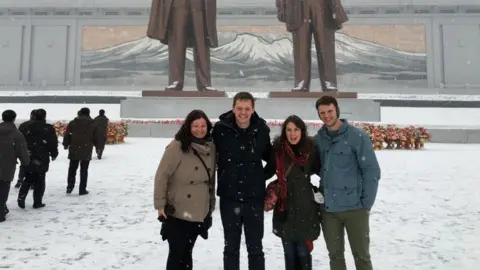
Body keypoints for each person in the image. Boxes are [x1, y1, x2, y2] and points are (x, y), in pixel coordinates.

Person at [314, 96, 381, 270]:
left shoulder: (357, 137)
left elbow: (371, 170)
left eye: (330, 111)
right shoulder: (319, 139)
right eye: (322, 113)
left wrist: (366, 203)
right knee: (335, 257)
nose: (326, 116)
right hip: (329, 210)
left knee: (362, 257)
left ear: (337, 110)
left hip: (355, 209)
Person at [212, 92, 272, 270]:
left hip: (254, 197)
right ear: (233, 108)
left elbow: (272, 157)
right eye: (239, 108)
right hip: (229, 197)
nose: (243, 112)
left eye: (247, 109)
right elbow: (205, 149)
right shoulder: (220, 130)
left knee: (255, 247)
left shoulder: (261, 130)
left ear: (253, 109)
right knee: (231, 247)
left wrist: (261, 177)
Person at [154, 109, 216, 270]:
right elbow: (162, 175)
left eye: (203, 125)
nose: (200, 129)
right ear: (188, 126)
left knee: (187, 253)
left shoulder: (211, 147)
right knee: (176, 254)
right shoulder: (177, 146)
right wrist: (160, 205)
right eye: (195, 125)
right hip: (177, 210)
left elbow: (211, 180)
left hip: (198, 210)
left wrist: (210, 206)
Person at [264, 115, 323, 270]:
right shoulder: (278, 150)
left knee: (304, 253)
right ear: (284, 132)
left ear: (302, 131)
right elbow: (267, 171)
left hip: (306, 208)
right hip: (285, 208)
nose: (292, 134)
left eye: (296, 129)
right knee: (289, 254)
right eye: (289, 130)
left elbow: (323, 171)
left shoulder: (311, 150)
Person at [275, 0, 348, 92]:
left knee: (325, 47)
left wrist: (336, 10)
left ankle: (328, 82)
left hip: (323, 7)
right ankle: (301, 82)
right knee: (301, 48)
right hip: (297, 7)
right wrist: (281, 8)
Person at [147, 0, 218, 91]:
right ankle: (175, 81)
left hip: (199, 4)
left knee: (201, 43)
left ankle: (204, 83)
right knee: (177, 42)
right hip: (178, 4)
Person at [17, 109, 59, 209]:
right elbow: (53, 142)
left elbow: (19, 140)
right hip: (42, 155)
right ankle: (37, 201)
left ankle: (21, 197)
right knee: (40, 179)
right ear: (44, 116)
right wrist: (54, 153)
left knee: (28, 177)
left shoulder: (25, 126)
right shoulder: (48, 128)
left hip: (28, 154)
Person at [0, 110, 30, 222]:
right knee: (3, 188)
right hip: (7, 166)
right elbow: (22, 150)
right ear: (14, 119)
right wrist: (26, 162)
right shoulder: (16, 134)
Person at [63, 107, 98, 195]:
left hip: (74, 148)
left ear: (80, 113)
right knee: (84, 170)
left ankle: (69, 187)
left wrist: (66, 144)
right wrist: (98, 146)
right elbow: (96, 137)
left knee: (72, 169)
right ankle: (82, 189)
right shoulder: (93, 123)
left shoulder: (72, 123)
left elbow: (67, 134)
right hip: (87, 149)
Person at [14, 109, 36, 189]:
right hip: (36, 148)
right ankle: (32, 182)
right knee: (34, 165)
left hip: (24, 147)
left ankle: (20, 180)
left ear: (31, 115)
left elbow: (17, 137)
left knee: (23, 165)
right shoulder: (40, 125)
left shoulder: (23, 125)